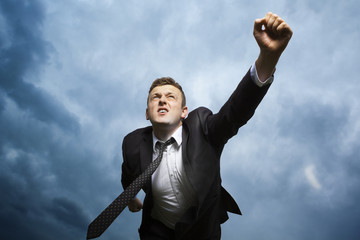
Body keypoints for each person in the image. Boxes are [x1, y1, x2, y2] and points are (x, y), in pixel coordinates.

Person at [121, 12, 292, 240]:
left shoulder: (202, 126)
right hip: (156, 231)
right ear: (146, 113)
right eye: (155, 97)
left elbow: (235, 112)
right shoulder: (132, 142)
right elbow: (128, 175)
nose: (162, 100)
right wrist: (131, 198)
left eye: (170, 97)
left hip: (200, 232)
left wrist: (268, 57)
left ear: (184, 112)